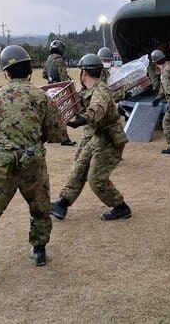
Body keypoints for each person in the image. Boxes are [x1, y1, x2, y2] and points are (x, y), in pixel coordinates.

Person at [0, 45, 70, 288]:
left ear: (6, 73)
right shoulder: (41, 97)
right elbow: (56, 133)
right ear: (29, 71)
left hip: (3, 166)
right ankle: (39, 252)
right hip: (33, 163)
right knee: (40, 207)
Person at [49, 53, 131, 221]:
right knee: (79, 166)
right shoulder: (88, 90)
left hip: (110, 140)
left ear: (83, 73)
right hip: (97, 136)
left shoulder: (101, 91)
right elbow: (79, 102)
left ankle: (121, 207)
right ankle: (62, 203)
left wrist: (83, 119)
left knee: (96, 178)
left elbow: (97, 108)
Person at [42, 39, 76, 146]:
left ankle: (51, 137)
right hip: (59, 89)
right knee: (61, 113)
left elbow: (44, 75)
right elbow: (64, 77)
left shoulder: (48, 60)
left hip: (50, 89)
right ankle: (65, 139)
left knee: (51, 114)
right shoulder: (59, 60)